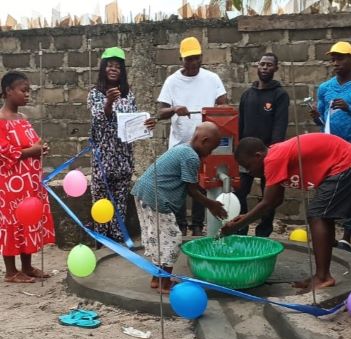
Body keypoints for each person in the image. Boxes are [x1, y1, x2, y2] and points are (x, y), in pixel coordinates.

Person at [221, 133, 351, 290]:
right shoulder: (274, 156)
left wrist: (240, 224)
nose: (249, 172)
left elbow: (268, 202)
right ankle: (322, 274)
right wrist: (245, 217)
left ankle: (323, 277)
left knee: (317, 215)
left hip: (347, 162)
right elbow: (277, 200)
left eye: (248, 166)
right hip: (347, 161)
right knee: (321, 215)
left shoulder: (272, 159)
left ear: (258, 156)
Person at [132, 122, 227, 294]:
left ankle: (157, 278)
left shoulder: (183, 148)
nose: (210, 153)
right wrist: (211, 204)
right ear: (204, 141)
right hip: (156, 197)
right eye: (211, 149)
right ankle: (164, 284)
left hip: (143, 192)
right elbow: (192, 189)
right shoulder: (191, 157)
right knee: (172, 239)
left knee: (157, 238)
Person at [157, 37, 227, 237]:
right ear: (181, 59)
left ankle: (197, 225)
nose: (193, 63)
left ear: (201, 57)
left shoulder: (212, 79)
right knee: (181, 186)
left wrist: (215, 113)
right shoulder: (172, 81)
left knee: (201, 183)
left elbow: (223, 105)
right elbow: (161, 112)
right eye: (188, 59)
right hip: (180, 144)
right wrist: (174, 108)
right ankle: (181, 224)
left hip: (205, 144)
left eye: (196, 58)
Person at [88, 47, 154, 243]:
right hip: (103, 157)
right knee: (100, 199)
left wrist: (147, 124)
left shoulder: (128, 94)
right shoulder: (95, 94)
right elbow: (100, 118)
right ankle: (101, 238)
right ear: (103, 68)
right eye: (110, 65)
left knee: (120, 200)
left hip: (124, 156)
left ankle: (118, 238)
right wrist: (109, 101)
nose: (113, 69)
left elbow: (133, 123)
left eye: (117, 66)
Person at [310, 41, 351, 251]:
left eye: (341, 58)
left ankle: (347, 235)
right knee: (326, 190)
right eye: (333, 59)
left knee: (349, 192)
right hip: (328, 150)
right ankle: (329, 233)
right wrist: (317, 117)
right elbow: (323, 121)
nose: (336, 63)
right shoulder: (325, 88)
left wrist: (349, 108)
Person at [0, 71, 55, 283]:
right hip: (10, 185)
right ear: (8, 91)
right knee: (12, 223)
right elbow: (4, 153)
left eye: (28, 91)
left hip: (30, 183)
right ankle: (11, 271)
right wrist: (33, 151)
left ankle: (27, 266)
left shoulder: (22, 119)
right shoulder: (1, 120)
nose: (28, 95)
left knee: (28, 220)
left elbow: (32, 145)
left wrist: (41, 149)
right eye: (23, 90)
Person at [235, 52, 289, 237]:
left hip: (268, 155)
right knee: (240, 192)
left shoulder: (279, 95)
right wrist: (239, 151)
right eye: (262, 64)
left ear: (276, 68)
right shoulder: (247, 95)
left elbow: (280, 125)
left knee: (269, 197)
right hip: (247, 156)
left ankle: (263, 232)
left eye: (269, 65)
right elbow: (240, 125)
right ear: (257, 67)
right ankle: (240, 228)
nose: (265, 68)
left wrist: (273, 153)